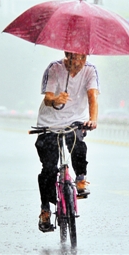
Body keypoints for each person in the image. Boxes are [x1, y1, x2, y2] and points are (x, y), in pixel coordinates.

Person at [35, 51, 100, 232]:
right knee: (49, 169)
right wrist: (56, 99)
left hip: (74, 121)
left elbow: (92, 96)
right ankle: (45, 209)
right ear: (67, 54)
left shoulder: (90, 71)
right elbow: (48, 99)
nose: (78, 63)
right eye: (74, 58)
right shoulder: (54, 68)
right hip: (49, 124)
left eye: (82, 58)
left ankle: (80, 178)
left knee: (78, 143)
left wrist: (92, 119)